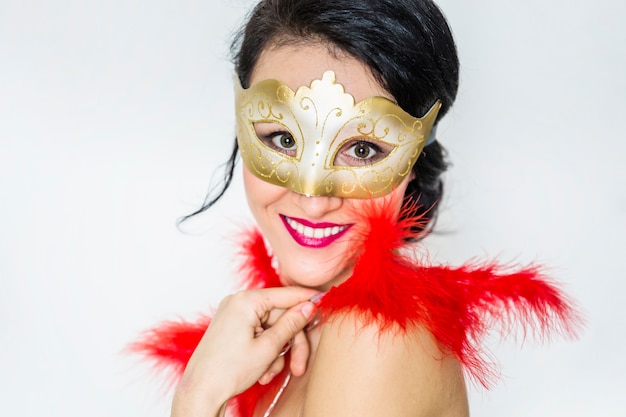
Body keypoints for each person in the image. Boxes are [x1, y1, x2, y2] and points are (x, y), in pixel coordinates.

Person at [131, 1, 580, 416]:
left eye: (363, 149)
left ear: (414, 160)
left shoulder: (376, 338)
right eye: (283, 139)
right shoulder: (283, 337)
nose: (313, 197)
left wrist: (196, 400)